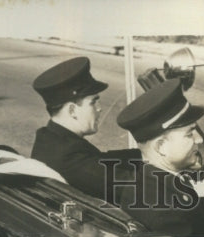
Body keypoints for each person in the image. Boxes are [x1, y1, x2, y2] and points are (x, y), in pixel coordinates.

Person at [112, 80, 204, 237]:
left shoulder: (151, 184)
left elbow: (201, 219)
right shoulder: (163, 208)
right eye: (189, 134)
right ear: (161, 146)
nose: (199, 139)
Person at [30, 56, 140, 198]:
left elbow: (99, 160)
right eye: (93, 102)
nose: (99, 109)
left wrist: (144, 153)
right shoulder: (70, 157)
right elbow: (132, 186)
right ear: (72, 110)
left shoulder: (50, 138)